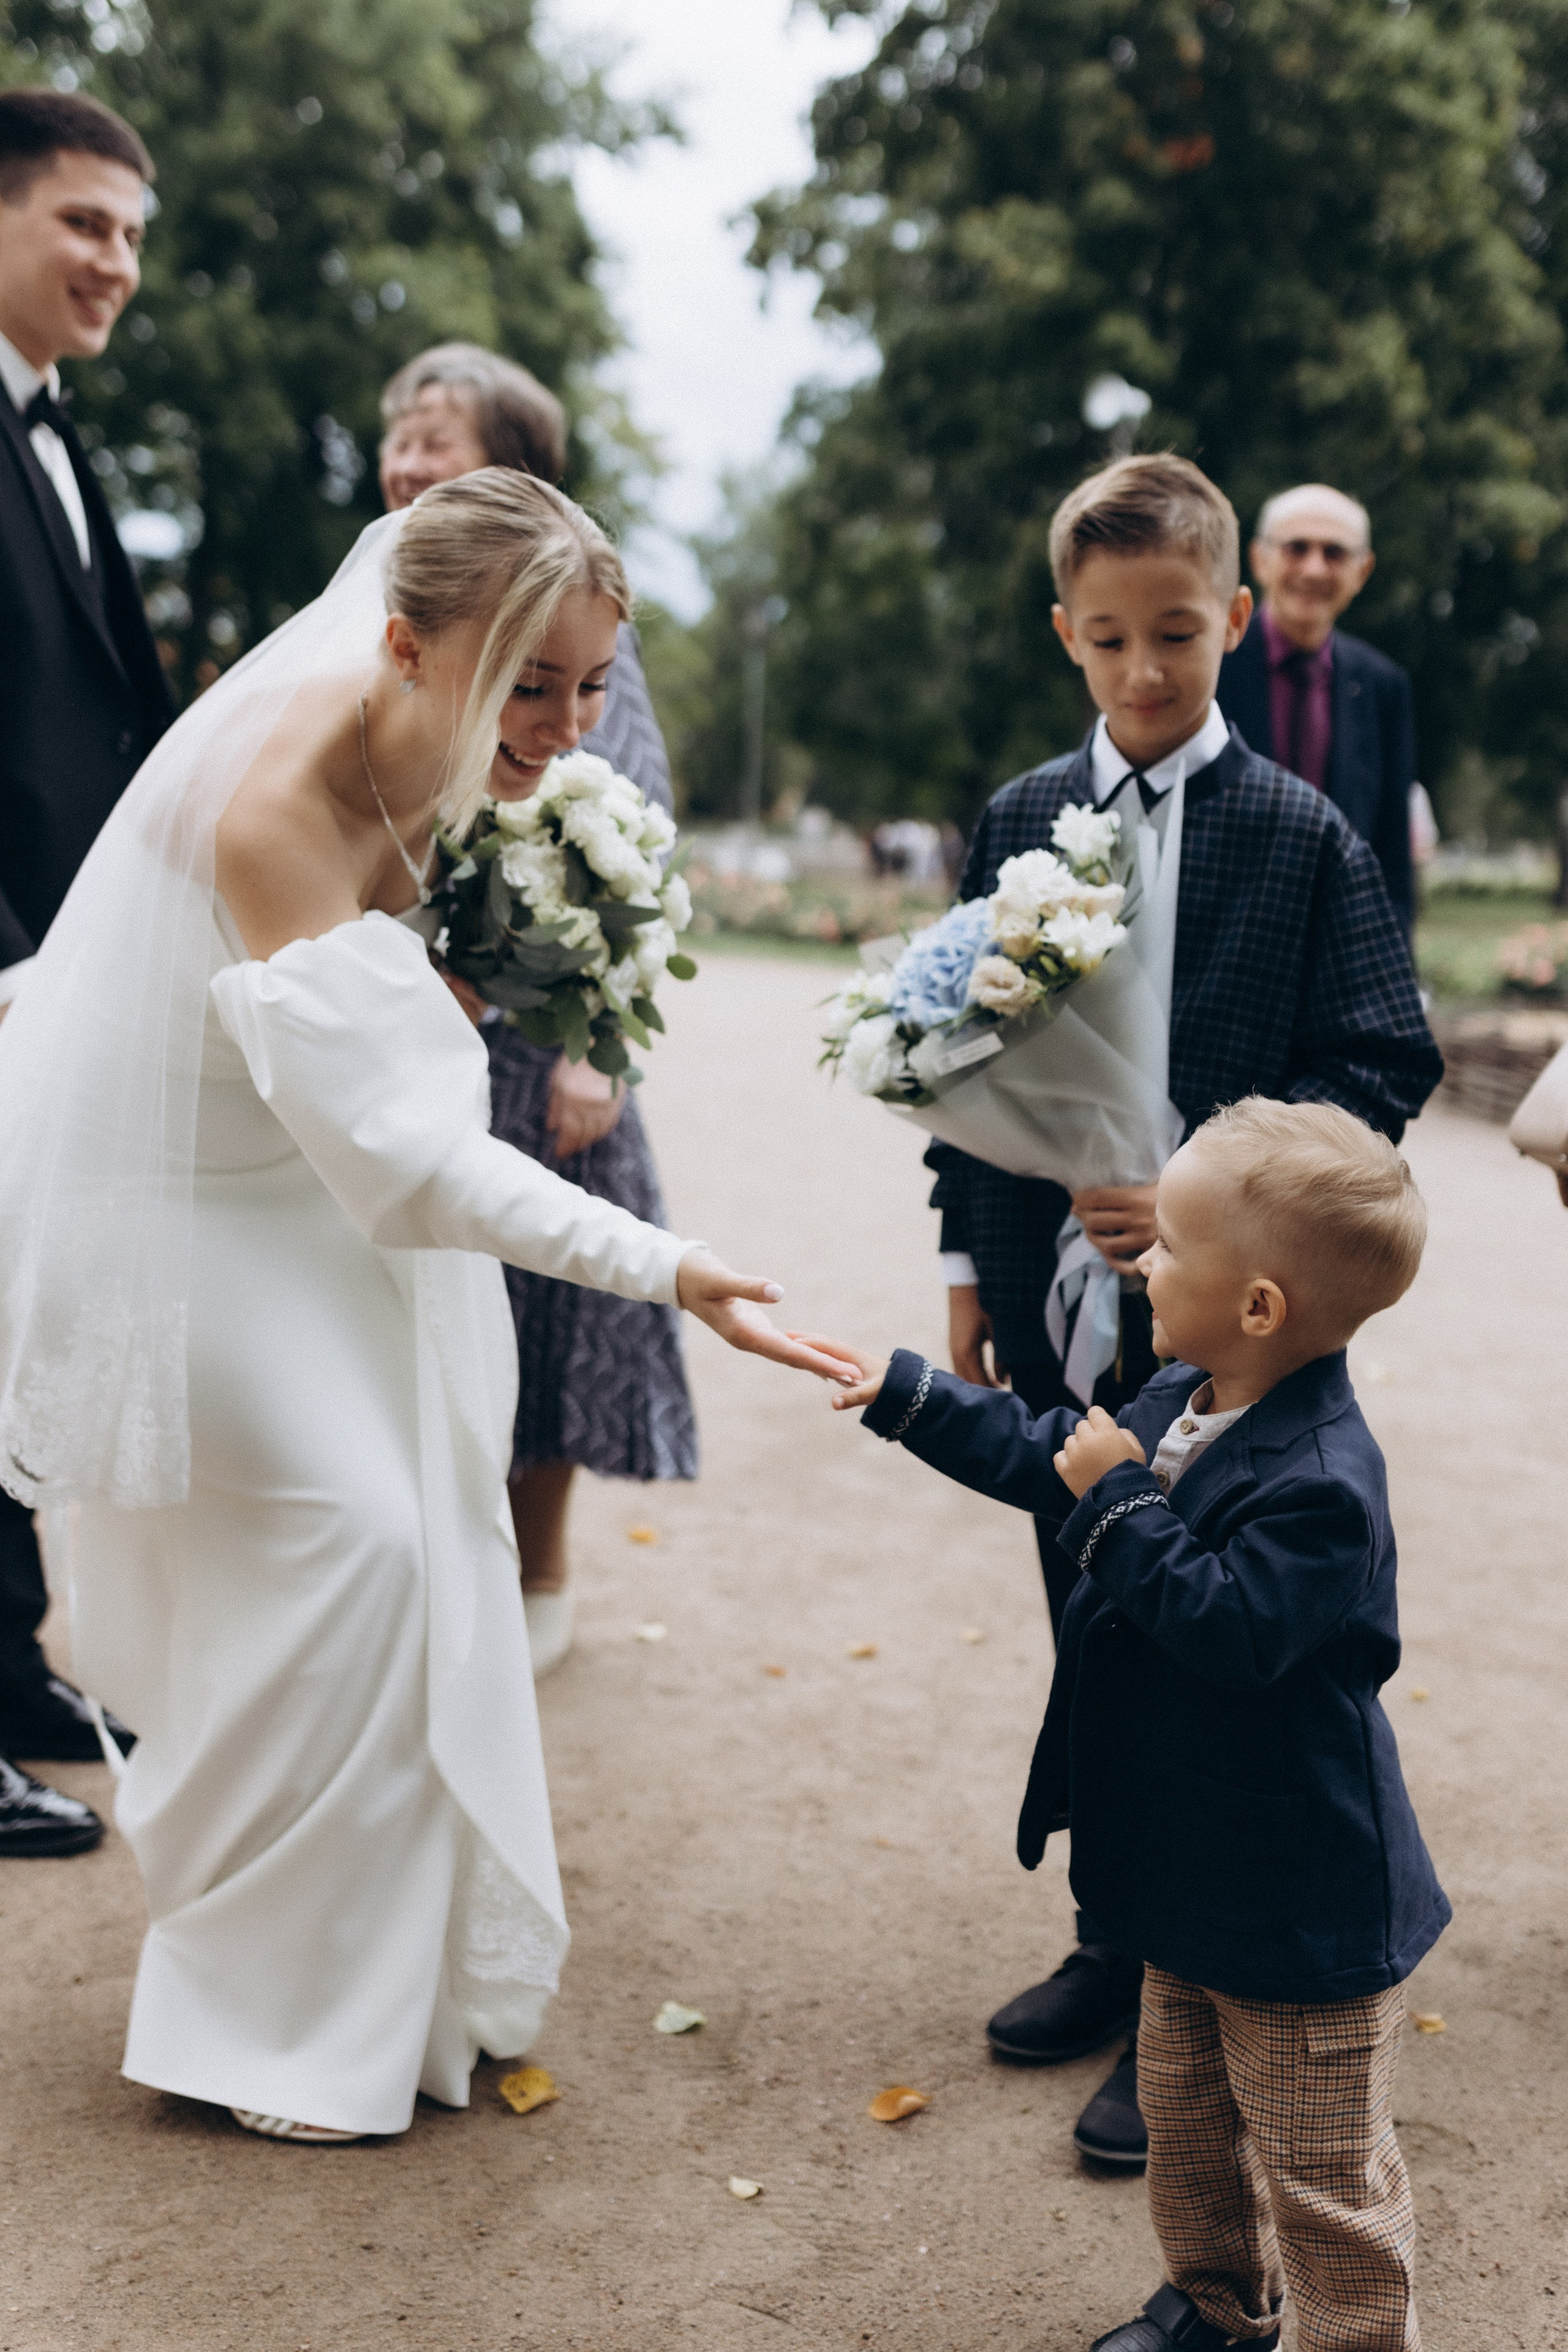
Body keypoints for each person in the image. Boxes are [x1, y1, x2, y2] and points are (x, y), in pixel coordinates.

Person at [0, 469, 850, 2143]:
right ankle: (257, 2019)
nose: (566, 725)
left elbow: (384, 1098)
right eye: (529, 682)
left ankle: (387, 2001)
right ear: (401, 643)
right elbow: (415, 1166)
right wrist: (667, 1268)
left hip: (307, 1185)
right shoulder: (273, 805)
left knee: (420, 1535)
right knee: (359, 1541)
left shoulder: (442, 744)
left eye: (593, 682)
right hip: (183, 1210)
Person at [926, 454, 1442, 2171]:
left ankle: (1188, 1985)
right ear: (1065, 634)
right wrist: (967, 1272)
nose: (1146, 672)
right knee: (1090, 1606)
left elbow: (1383, 1063)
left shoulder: (1301, 835)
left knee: (1201, 1642)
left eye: (1177, 634)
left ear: (1234, 618)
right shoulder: (1012, 821)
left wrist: (1210, 1175)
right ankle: (1110, 1931)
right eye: (1108, 639)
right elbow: (962, 1068)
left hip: (1219, 1317)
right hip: (1044, 1290)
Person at [816, 1097, 1448, 2352]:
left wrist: (1113, 1502)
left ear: (1258, 1305)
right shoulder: (1187, 1386)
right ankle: (1215, 2308)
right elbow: (1056, 1448)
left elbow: (1227, 1628)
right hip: (1186, 1878)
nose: (1140, 1261)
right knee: (1186, 2125)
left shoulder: (1322, 1483)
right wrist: (911, 1396)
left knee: (1321, 2177)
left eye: (1168, 1246)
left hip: (1296, 1901)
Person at [380, 341, 692, 1673]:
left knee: (553, 1300)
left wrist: (594, 1052)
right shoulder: (374, 624)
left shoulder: (575, 653)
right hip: (396, 1022)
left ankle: (541, 1571)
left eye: (435, 438)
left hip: (536, 1047)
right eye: (396, 434)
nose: (405, 459)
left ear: (510, 464)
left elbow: (624, 849)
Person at [0, 86, 173, 1852]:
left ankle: (9, 1666)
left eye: (133, 232)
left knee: (14, 1324)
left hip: (63, 976)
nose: (118, 262)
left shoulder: (58, 433)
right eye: (83, 225)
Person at [1217, 484, 1417, 932]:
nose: (1314, 568)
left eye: (1334, 553)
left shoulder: (1384, 686)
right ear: (1259, 560)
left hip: (1339, 944)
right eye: (1297, 548)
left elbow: (1393, 853)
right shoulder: (1209, 668)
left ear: (1362, 571)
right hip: (1223, 940)